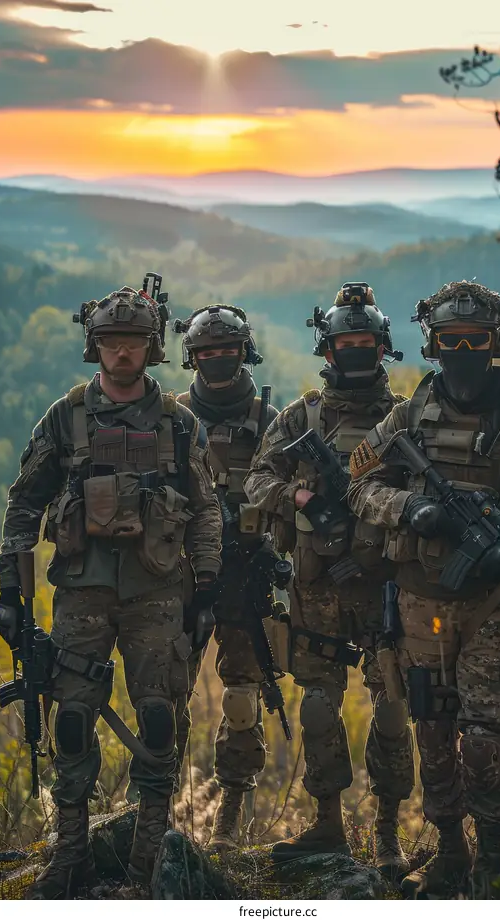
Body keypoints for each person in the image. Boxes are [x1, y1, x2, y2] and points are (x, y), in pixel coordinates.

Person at [0, 285, 222, 898]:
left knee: (155, 723)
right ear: (95, 344)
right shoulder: (64, 418)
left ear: (152, 347)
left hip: (158, 593)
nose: (123, 353)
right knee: (70, 721)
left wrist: (208, 586)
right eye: (113, 341)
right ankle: (70, 857)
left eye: (135, 342)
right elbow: (24, 504)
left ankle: (149, 861)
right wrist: (10, 588)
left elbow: (205, 510)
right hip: (81, 594)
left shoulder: (179, 424)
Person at [348, 280, 500, 898]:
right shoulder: (406, 417)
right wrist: (409, 508)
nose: (465, 351)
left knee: (482, 740)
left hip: (492, 607)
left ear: (495, 344)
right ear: (434, 345)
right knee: (432, 735)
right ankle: (449, 851)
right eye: (453, 340)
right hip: (420, 604)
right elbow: (358, 485)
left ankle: (492, 859)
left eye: (477, 340)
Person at [243, 282, 415, 870]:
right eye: (347, 342)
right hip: (314, 588)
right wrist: (298, 496)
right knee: (318, 707)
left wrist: (385, 506)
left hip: (382, 586)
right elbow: (255, 480)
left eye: (366, 341)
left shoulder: (404, 420)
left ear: (382, 346)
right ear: (329, 348)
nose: (357, 351)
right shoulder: (302, 417)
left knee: (393, 705)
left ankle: (389, 831)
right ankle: (326, 826)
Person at [173, 304, 279, 851]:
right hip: (179, 576)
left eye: (227, 350)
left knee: (242, 697)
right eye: (206, 352)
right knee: (166, 693)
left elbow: (287, 492)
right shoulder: (170, 417)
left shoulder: (269, 421)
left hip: (245, 573)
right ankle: (157, 812)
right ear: (191, 357)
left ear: (245, 352)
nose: (217, 360)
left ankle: (229, 819)